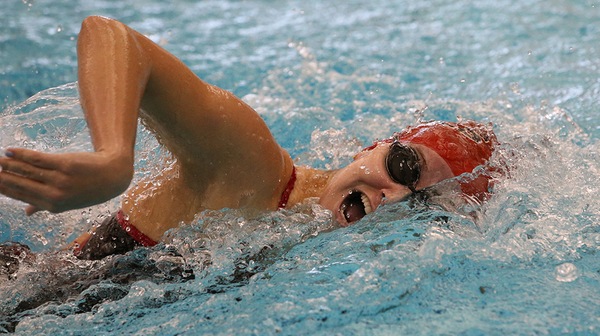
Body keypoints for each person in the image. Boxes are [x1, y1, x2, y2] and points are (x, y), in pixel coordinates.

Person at [0, 16, 498, 261]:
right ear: (373, 147)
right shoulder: (251, 166)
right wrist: (112, 159)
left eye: (422, 205)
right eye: (406, 167)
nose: (395, 197)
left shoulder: (311, 244)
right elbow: (112, 35)